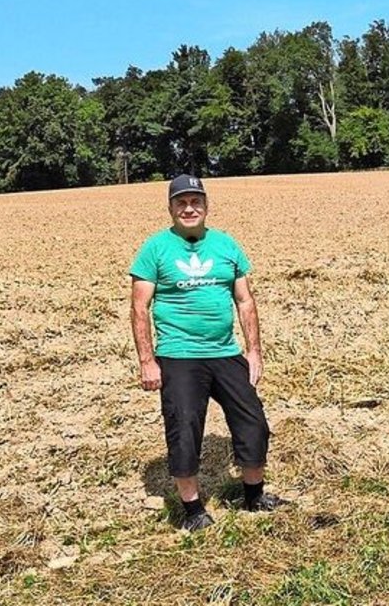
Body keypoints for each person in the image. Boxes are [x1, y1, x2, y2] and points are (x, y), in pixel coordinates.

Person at [130, 174, 283, 531]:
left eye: (195, 201)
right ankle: (193, 510)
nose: (189, 208)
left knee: (253, 421)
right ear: (170, 208)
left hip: (225, 351)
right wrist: (147, 361)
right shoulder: (155, 249)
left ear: (206, 206)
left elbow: (245, 301)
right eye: (181, 202)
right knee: (184, 426)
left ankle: (254, 496)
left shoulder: (226, 245)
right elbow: (139, 308)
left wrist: (254, 351)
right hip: (178, 354)